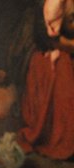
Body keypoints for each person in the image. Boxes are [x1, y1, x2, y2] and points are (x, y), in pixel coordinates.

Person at [18, 0, 74, 159]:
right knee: (50, 66)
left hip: (67, 49)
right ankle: (56, 135)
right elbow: (47, 38)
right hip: (54, 49)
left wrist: (64, 45)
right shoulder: (49, 5)